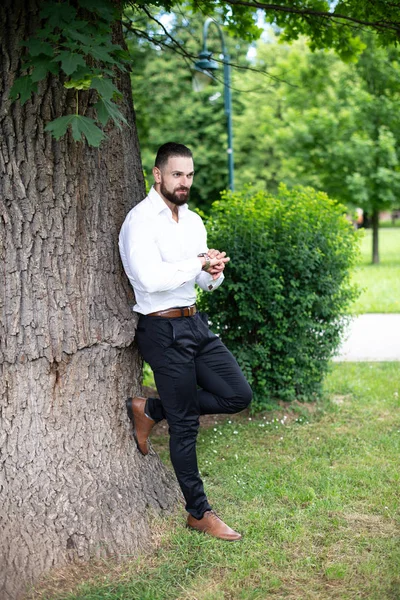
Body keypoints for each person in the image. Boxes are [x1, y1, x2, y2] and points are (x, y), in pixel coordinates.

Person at [119, 142, 252, 541]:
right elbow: (149, 279)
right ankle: (198, 512)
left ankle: (152, 408)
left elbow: (200, 281)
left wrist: (211, 270)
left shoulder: (192, 221)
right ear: (157, 174)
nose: (185, 182)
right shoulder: (139, 221)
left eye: (190, 175)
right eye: (177, 174)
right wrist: (195, 263)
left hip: (195, 322)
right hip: (160, 328)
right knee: (186, 427)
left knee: (237, 395)